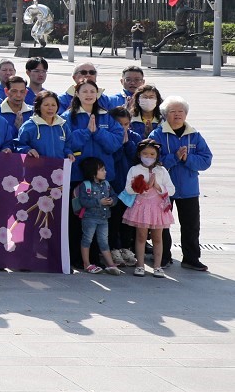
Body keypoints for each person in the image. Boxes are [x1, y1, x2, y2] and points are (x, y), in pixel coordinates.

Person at [150, 96, 211, 272]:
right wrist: (174, 158)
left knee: (191, 225)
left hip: (189, 188)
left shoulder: (195, 135)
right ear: (165, 114)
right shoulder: (157, 134)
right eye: (172, 112)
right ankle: (163, 257)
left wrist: (187, 159)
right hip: (163, 189)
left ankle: (191, 258)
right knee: (161, 225)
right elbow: (153, 159)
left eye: (181, 111)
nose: (177, 115)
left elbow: (206, 160)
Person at [121, 138, 175, 278]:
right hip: (141, 207)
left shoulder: (161, 170)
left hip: (157, 207)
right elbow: (128, 189)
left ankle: (157, 266)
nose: (149, 157)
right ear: (139, 154)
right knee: (141, 236)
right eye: (145, 154)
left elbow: (172, 190)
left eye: (152, 154)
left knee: (158, 237)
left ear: (157, 155)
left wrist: (156, 186)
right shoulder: (134, 169)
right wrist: (143, 186)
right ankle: (140, 265)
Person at [73, 159, 122, 275]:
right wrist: (99, 202)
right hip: (89, 218)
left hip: (104, 218)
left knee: (104, 241)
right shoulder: (85, 185)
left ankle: (110, 264)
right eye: (102, 170)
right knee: (87, 239)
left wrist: (112, 201)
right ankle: (86, 264)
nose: (105, 172)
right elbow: (83, 201)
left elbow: (114, 196)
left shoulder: (107, 184)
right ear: (92, 172)